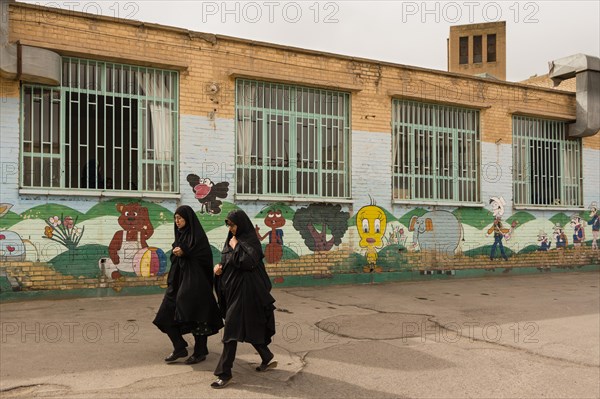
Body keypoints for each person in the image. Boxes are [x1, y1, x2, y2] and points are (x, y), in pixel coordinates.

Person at [211, 209, 277, 389]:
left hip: (247, 291)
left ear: (241, 223)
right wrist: (219, 269)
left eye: (232, 224)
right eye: (228, 225)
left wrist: (234, 248)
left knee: (231, 332)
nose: (230, 228)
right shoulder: (230, 240)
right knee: (249, 326)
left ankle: (224, 373)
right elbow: (227, 261)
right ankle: (266, 356)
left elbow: (248, 262)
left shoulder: (250, 241)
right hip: (232, 291)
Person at [153, 205, 223, 365]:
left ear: (188, 219)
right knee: (164, 315)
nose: (177, 221)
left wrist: (186, 253)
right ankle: (180, 346)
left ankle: (200, 351)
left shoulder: (198, 238)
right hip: (178, 283)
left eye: (180, 218)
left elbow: (203, 259)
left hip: (196, 284)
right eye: (175, 218)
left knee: (198, 317)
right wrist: (179, 253)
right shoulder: (180, 236)